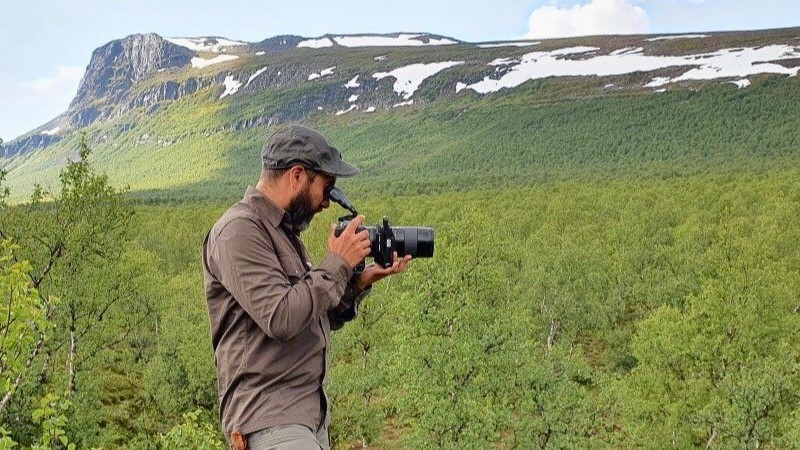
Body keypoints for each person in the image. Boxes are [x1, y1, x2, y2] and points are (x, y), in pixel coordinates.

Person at [202, 125, 411, 450]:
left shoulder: (284, 235)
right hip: (268, 418)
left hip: (305, 419)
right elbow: (282, 318)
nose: (328, 203)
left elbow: (310, 317)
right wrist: (338, 262)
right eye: (326, 188)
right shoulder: (238, 231)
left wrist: (357, 282)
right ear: (297, 175)